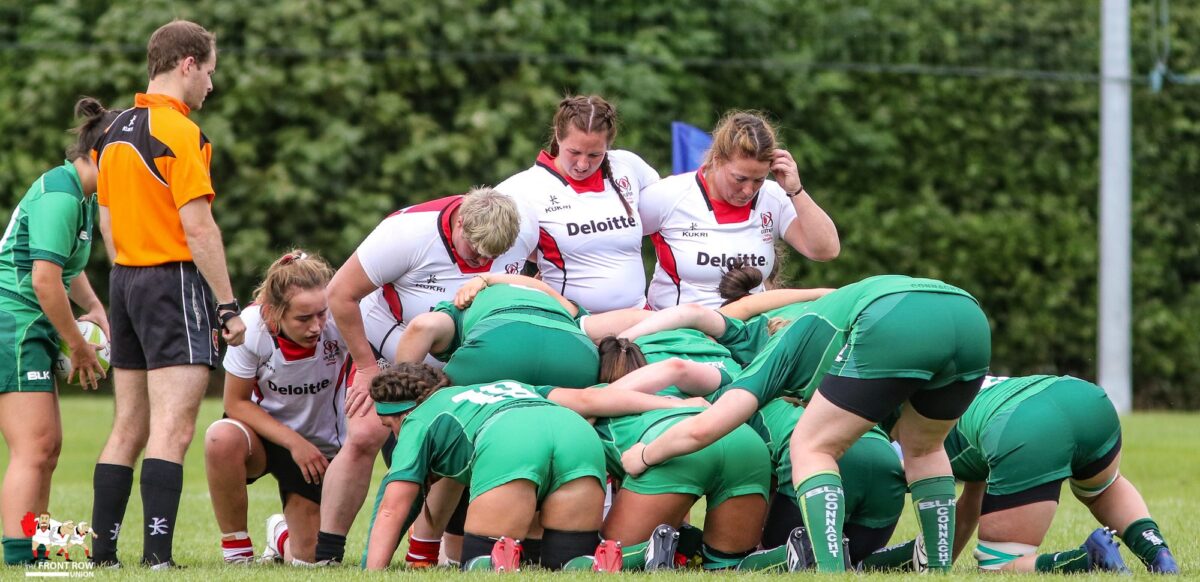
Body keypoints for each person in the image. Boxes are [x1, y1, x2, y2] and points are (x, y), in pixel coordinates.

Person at [620, 274, 991, 573]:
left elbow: (706, 427)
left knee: (811, 446)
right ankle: (939, 570)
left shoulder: (779, 350)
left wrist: (646, 455)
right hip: (969, 313)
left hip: (891, 313)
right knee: (925, 448)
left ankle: (828, 570)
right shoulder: (819, 319)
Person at [89, 20, 247, 569]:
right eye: (209, 72)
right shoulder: (180, 133)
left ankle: (102, 556)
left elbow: (107, 224)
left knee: (127, 426)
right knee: (173, 428)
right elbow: (200, 228)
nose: (210, 84)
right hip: (171, 279)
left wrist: (129, 282)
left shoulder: (112, 132)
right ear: (186, 64)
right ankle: (157, 558)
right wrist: (226, 307)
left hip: (125, 280)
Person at [315, 186, 535, 565]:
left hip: (461, 358)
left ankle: (432, 551)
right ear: (461, 223)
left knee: (456, 442)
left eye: (494, 255)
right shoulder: (406, 235)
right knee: (366, 433)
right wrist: (367, 368)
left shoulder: (523, 229)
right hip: (390, 345)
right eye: (476, 250)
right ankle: (327, 554)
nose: (484, 260)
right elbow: (339, 295)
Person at [361, 364, 702, 571]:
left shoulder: (418, 419)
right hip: (575, 433)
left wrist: (371, 571)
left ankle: (494, 562)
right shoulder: (506, 386)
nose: (393, 433)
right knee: (568, 565)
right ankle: (640, 556)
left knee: (483, 563)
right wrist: (677, 404)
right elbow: (590, 400)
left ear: (404, 412)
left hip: (510, 440)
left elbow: (393, 507)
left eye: (388, 424)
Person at [864, 374, 1177, 574]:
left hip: (1024, 425)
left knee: (997, 564)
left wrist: (870, 561)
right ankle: (1159, 554)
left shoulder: (914, 438)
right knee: (1103, 488)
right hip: (1081, 397)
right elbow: (968, 508)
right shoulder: (954, 387)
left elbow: (937, 527)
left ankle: (1088, 559)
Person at [0, 98, 117, 566]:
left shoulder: (81, 197)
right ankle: (20, 555)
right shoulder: (61, 195)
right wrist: (78, 346)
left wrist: (93, 307)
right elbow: (45, 279)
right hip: (15, 322)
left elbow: (64, 268)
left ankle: (37, 545)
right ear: (102, 155)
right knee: (35, 445)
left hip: (31, 322)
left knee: (47, 446)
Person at [202, 250, 348, 565]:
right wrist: (294, 442)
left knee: (313, 560)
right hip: (262, 437)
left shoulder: (342, 318)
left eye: (321, 314)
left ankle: (280, 534)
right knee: (220, 438)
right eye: (303, 318)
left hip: (318, 447)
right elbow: (235, 402)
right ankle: (237, 551)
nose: (316, 327)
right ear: (273, 313)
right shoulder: (252, 326)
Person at [641, 111, 839, 310]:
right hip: (680, 330)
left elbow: (826, 250)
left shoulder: (774, 196)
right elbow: (617, 242)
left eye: (759, 180)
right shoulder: (669, 194)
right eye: (740, 179)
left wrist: (795, 190)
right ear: (717, 160)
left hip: (751, 328)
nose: (748, 191)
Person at [494, 95, 659, 313]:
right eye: (574, 152)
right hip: (571, 323)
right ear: (558, 137)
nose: (582, 164)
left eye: (594, 155)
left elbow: (668, 217)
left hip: (638, 317)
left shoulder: (628, 166)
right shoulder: (521, 189)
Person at [737, 398, 907, 571]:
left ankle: (800, 550)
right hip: (885, 460)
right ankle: (910, 552)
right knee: (857, 564)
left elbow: (756, 485)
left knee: (756, 559)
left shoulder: (748, 405)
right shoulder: (832, 391)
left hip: (821, 461)